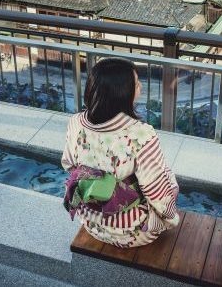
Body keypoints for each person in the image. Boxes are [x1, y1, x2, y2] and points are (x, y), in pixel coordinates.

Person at [62, 58, 180, 248]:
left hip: (91, 223)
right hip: (134, 233)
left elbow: (68, 164)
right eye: (136, 83)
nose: (140, 86)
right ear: (121, 93)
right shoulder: (141, 135)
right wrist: (171, 218)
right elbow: (156, 191)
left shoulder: (76, 122)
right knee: (168, 177)